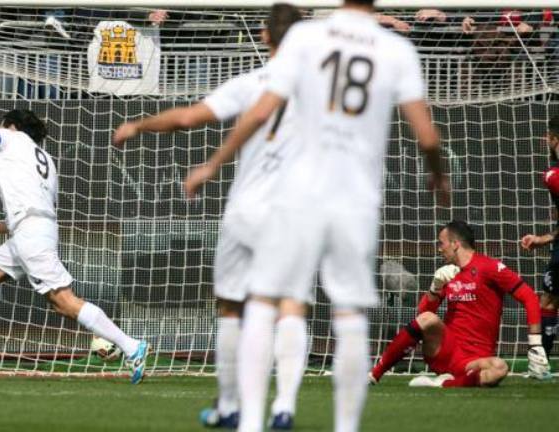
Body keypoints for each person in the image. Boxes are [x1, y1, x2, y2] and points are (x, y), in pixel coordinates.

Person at [183, 0, 448, 430]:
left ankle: (249, 421)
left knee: (264, 302)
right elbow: (427, 136)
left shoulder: (306, 37)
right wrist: (438, 174)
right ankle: (341, 425)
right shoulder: (396, 49)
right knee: (349, 316)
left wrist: (213, 164)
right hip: (356, 201)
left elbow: (262, 110)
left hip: (299, 194)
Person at [114, 4, 306, 429]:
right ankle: (284, 406)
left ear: (264, 35)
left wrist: (139, 126)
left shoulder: (253, 83)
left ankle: (229, 405)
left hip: (248, 208)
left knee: (232, 306)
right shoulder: (323, 91)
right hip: (297, 211)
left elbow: (187, 118)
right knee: (290, 304)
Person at [0, 109, 149, 384]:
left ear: (11, 126)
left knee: (63, 302)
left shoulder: (12, 137)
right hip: (31, 230)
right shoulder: (45, 159)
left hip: (31, 235)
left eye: (2, 125)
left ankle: (132, 346)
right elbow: (38, 208)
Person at [371, 220, 548, 387]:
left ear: (455, 244)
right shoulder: (447, 273)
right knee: (428, 319)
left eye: (442, 243)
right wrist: (435, 287)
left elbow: (529, 297)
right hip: (445, 351)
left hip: (475, 360)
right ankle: (374, 374)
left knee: (499, 368)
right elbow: (422, 315)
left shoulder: (489, 267)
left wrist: (535, 345)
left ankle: (443, 383)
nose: (439, 249)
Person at [520, 115, 559, 379]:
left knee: (548, 300)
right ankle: (541, 365)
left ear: (552, 139)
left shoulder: (553, 176)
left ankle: (540, 366)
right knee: (549, 298)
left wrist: (544, 239)